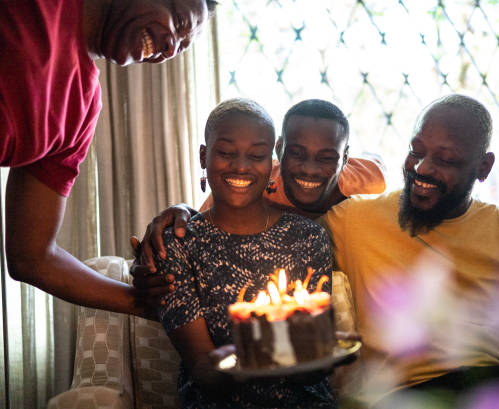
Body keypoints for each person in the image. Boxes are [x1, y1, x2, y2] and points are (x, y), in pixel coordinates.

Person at [319, 94, 499, 406]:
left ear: (483, 167)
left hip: (494, 390)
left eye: (445, 160)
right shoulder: (353, 220)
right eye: (416, 151)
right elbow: (285, 201)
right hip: (408, 395)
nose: (421, 168)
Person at [1, 0, 216, 317]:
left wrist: (154, 303)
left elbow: (31, 257)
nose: (171, 47)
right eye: (178, 20)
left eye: (181, 47)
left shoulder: (82, 108)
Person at [154, 98, 335, 408]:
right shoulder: (178, 244)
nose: (241, 166)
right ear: (203, 155)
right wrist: (255, 356)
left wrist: (314, 360)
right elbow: (204, 372)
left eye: (256, 155)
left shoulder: (309, 237)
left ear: (272, 159)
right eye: (225, 153)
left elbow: (315, 360)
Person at [132, 98, 385, 273]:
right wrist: (181, 209)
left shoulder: (365, 183)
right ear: (279, 150)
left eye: (327, 158)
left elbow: (380, 167)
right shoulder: (257, 184)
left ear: (345, 160)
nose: (309, 169)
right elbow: (210, 225)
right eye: (296, 154)